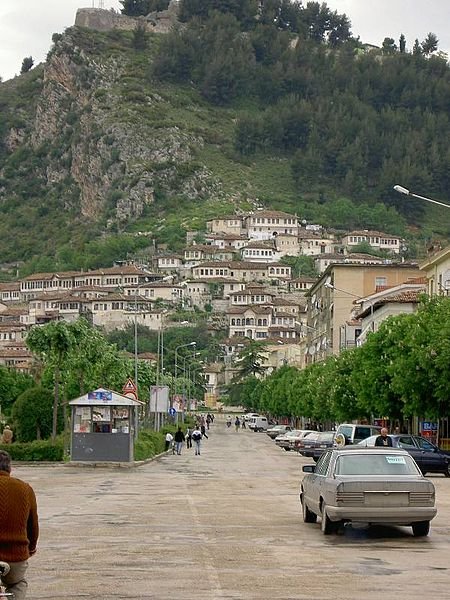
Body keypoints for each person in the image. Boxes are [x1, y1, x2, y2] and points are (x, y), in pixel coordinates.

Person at [0, 450, 39, 600]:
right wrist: (31, 548)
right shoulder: (25, 488)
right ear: (10, 468)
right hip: (16, 557)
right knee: (18, 583)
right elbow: (33, 525)